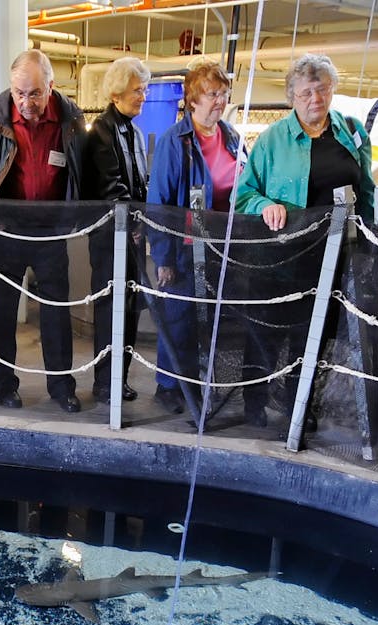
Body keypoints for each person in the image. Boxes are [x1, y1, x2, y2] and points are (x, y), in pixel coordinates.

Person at [235, 52, 374, 429]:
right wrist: (265, 204)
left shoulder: (351, 131)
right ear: (292, 97)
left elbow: (368, 191)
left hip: (331, 258)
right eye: (307, 92)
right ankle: (254, 400)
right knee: (265, 332)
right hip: (279, 260)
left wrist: (370, 240)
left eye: (323, 90)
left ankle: (301, 402)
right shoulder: (271, 140)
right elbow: (242, 195)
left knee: (314, 334)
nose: (316, 99)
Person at [0, 49, 87, 412]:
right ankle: (4, 386)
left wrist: (73, 215)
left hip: (50, 232)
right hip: (6, 230)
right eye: (19, 93)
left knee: (56, 313)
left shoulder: (70, 117)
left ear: (50, 86)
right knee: (1, 314)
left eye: (34, 93)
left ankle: (62, 388)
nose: (26, 102)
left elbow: (80, 168)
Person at [146, 59, 244, 417]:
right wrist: (164, 259)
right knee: (178, 317)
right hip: (184, 247)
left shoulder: (231, 137)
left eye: (222, 94)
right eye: (211, 94)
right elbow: (159, 202)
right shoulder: (176, 141)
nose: (218, 101)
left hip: (220, 246)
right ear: (192, 99)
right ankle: (169, 386)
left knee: (209, 319)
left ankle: (200, 380)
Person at [79, 55, 150, 405]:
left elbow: (140, 183)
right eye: (138, 90)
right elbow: (112, 186)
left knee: (131, 306)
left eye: (145, 89)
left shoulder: (134, 131)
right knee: (110, 308)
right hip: (110, 237)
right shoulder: (101, 133)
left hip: (132, 233)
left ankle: (117, 378)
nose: (143, 96)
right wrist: (137, 222)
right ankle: (105, 382)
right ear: (118, 93)